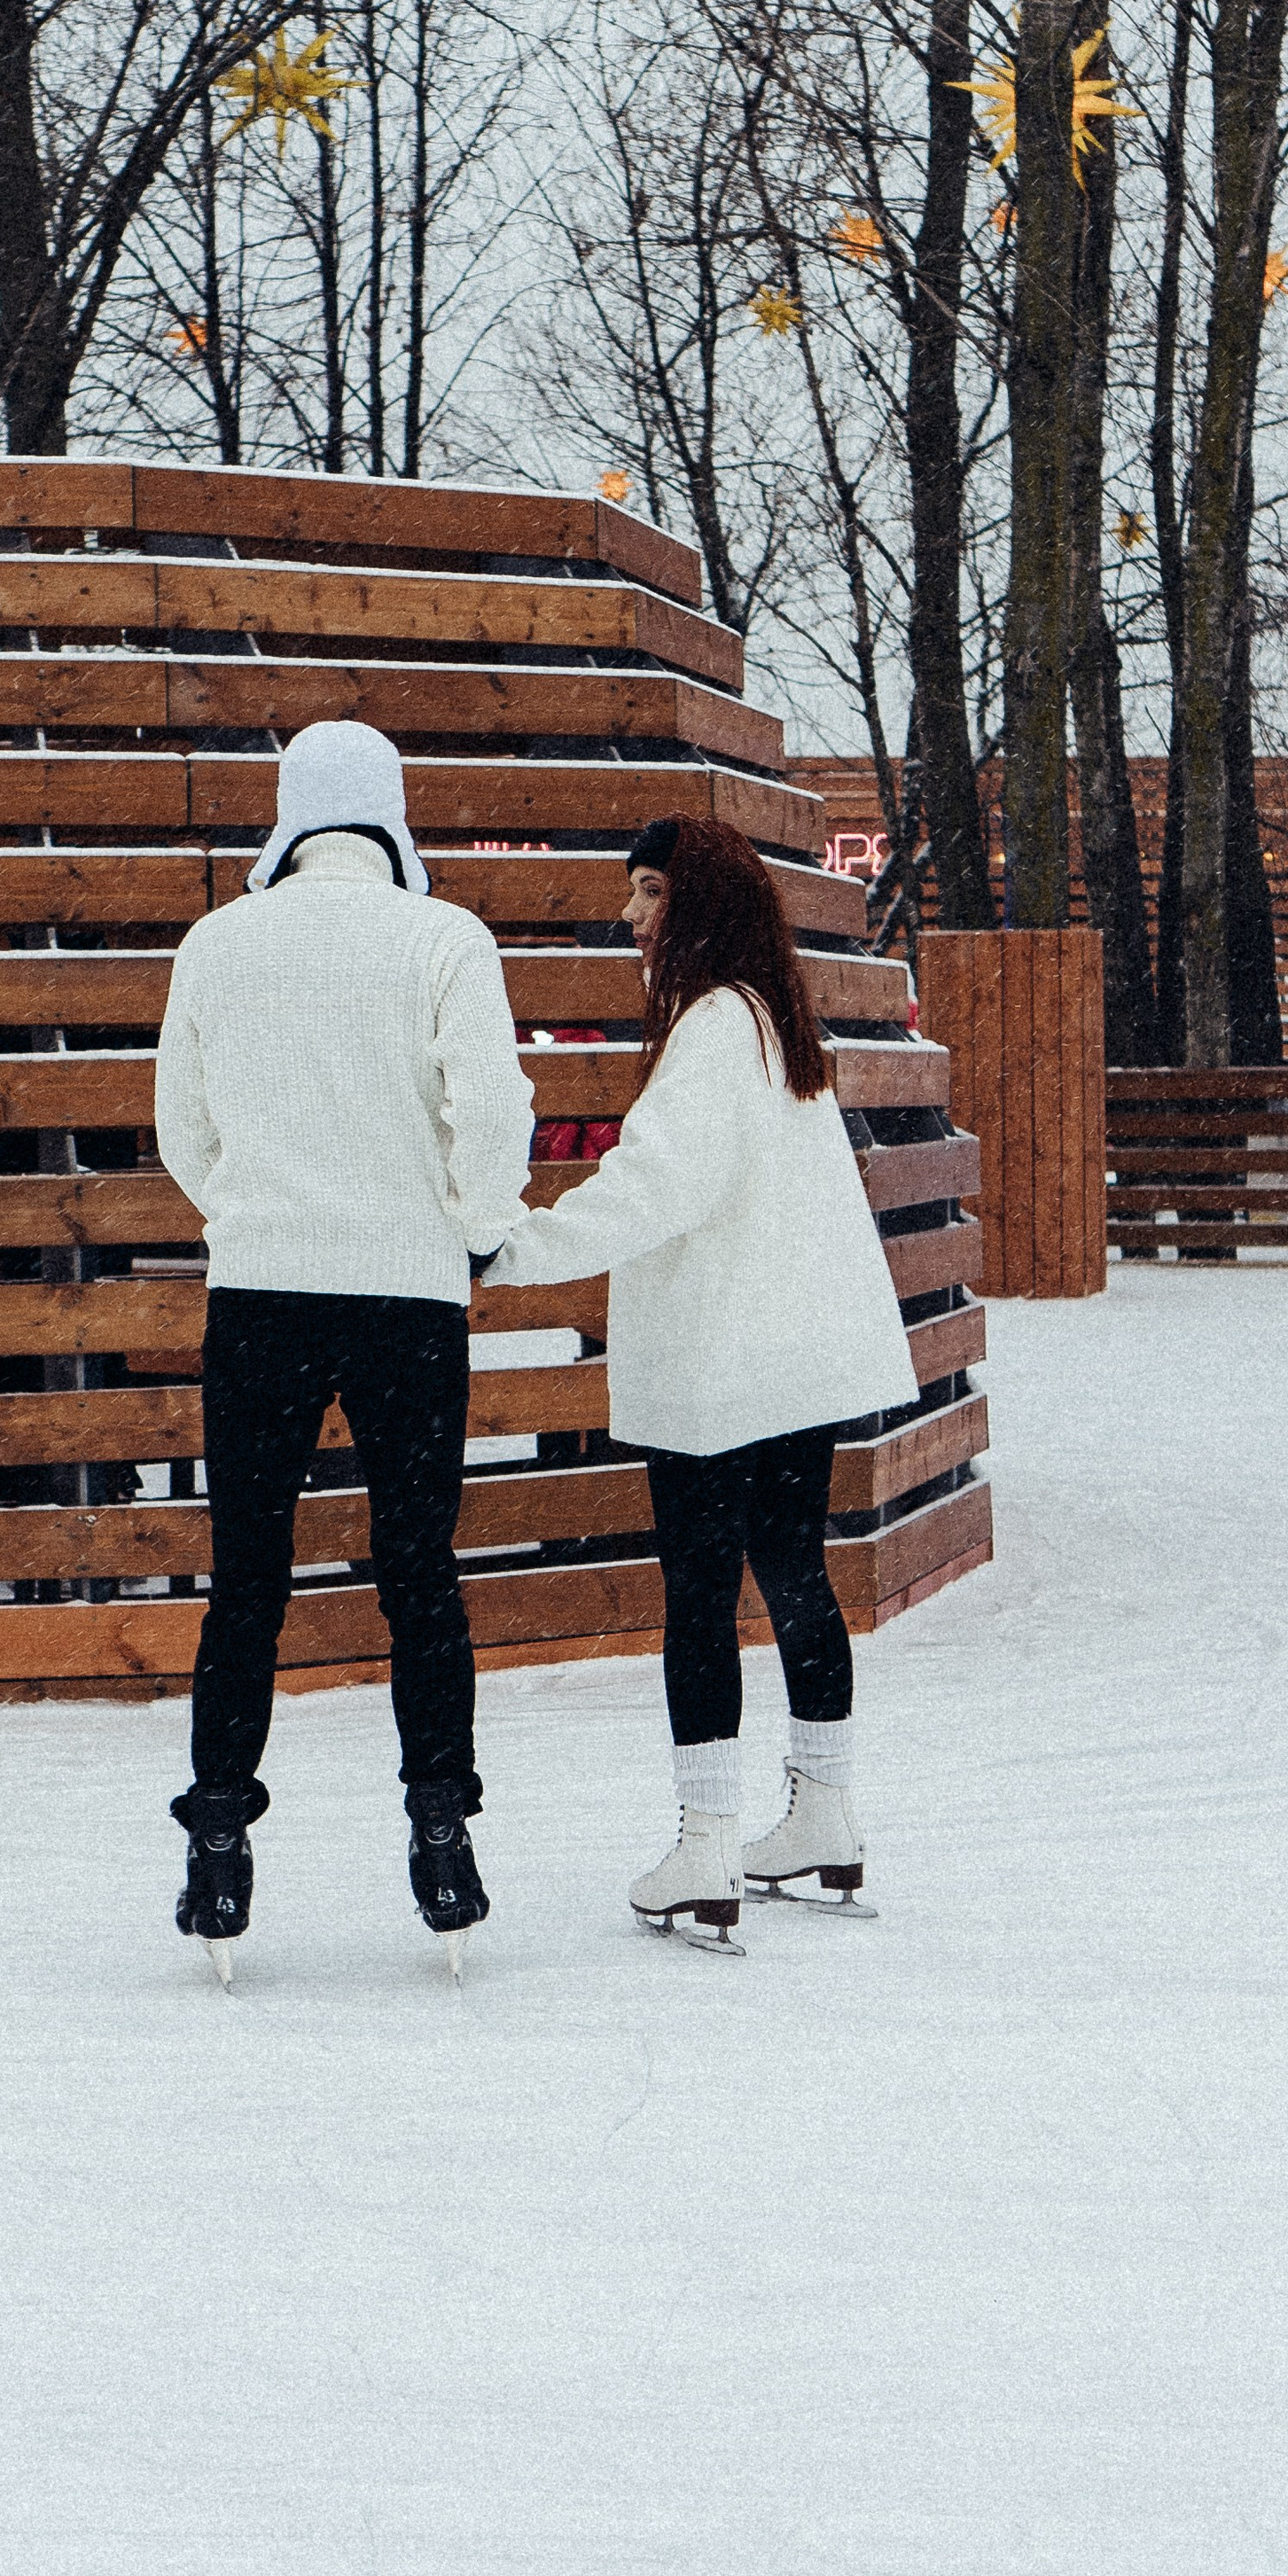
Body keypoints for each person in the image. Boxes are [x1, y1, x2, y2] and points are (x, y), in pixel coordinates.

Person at [485, 816, 917, 1947]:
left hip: (724, 1362)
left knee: (700, 1593)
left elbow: (654, 1187)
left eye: (649, 892)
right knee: (795, 1572)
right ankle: (822, 1811)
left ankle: (707, 1842)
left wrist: (516, 1248)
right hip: (788, 1357)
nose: (629, 916)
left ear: (701, 903)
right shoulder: (770, 1018)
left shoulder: (716, 1024)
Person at [153, 720, 535, 1980]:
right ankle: (442, 1834)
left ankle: (218, 1844)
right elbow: (492, 1106)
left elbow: (181, 1126)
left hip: (260, 1294)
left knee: (247, 1582)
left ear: (289, 812)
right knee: (418, 1573)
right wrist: (472, 1229)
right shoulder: (444, 939)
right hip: (406, 1300)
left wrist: (250, 1212)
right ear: (390, 811)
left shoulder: (217, 943)